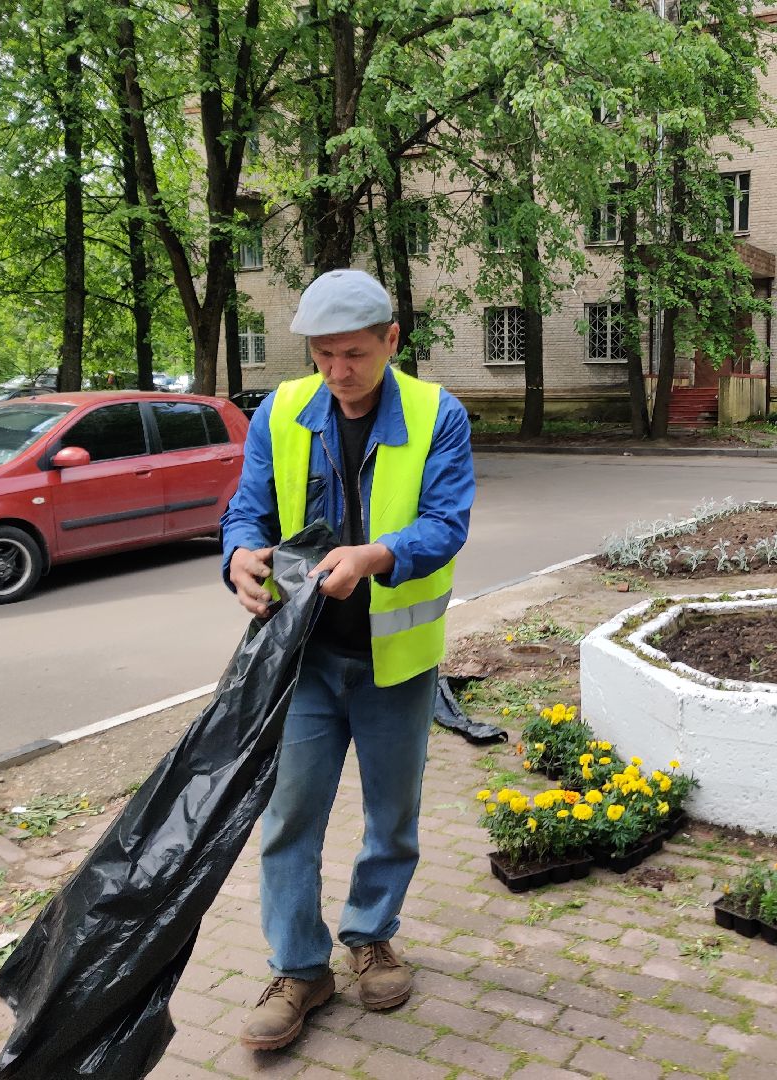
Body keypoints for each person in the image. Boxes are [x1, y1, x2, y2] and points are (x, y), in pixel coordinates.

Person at [220, 269, 474, 1052]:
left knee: (391, 816)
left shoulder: (439, 415)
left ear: (392, 341)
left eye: (355, 353)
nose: (338, 372)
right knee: (290, 816)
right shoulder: (283, 409)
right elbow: (247, 509)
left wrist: (372, 556)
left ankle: (370, 935)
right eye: (323, 355)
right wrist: (238, 555)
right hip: (301, 662)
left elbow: (446, 523)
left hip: (394, 663)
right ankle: (300, 968)